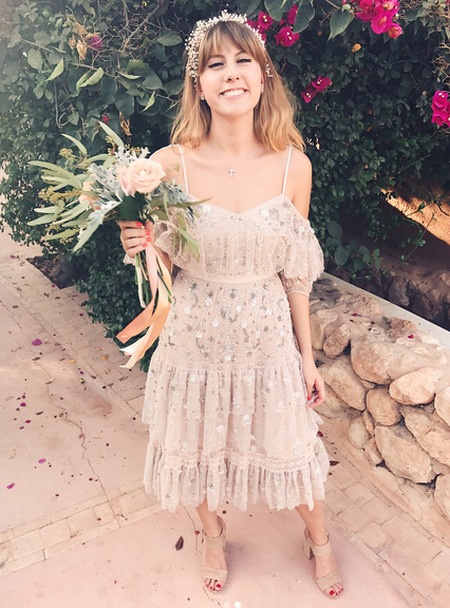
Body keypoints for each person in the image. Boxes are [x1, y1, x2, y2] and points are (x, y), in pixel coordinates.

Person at [119, 11, 343, 600]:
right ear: (199, 85)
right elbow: (162, 266)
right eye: (215, 64)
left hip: (267, 341)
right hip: (194, 339)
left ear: (264, 76)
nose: (231, 73)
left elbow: (296, 271)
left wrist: (307, 356)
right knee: (194, 446)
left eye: (244, 60)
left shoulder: (295, 166)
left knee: (290, 445)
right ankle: (212, 533)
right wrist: (140, 242)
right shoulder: (169, 165)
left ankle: (319, 537)